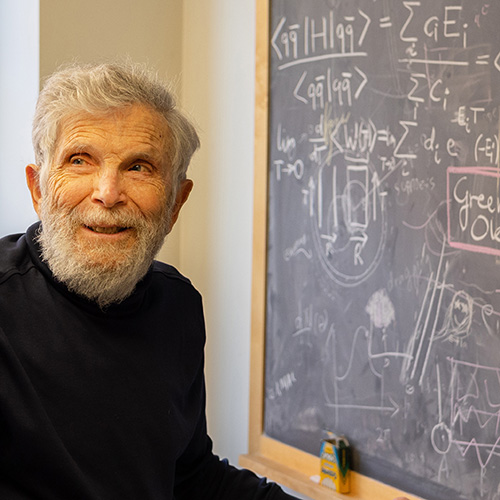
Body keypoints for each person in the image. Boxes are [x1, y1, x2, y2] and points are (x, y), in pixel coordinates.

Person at [0, 61, 410, 500]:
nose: (108, 192)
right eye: (79, 160)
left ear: (176, 202)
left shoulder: (175, 307)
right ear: (38, 189)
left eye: (139, 167)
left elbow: (191, 477)